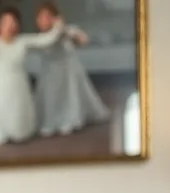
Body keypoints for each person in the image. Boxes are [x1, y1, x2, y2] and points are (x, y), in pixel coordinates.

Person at [0, 8, 67, 147]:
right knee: (1, 109)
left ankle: (20, 132)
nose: (10, 26)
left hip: (19, 83)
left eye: (13, 22)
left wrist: (58, 26)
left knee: (19, 109)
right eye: (6, 22)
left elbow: (45, 40)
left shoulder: (23, 41)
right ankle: (2, 132)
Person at [32, 2, 111, 138]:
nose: (44, 20)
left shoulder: (68, 30)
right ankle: (52, 123)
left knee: (70, 95)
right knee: (51, 98)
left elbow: (83, 40)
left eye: (48, 16)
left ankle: (70, 120)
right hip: (50, 74)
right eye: (41, 17)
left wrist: (63, 30)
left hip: (69, 72)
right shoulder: (39, 38)